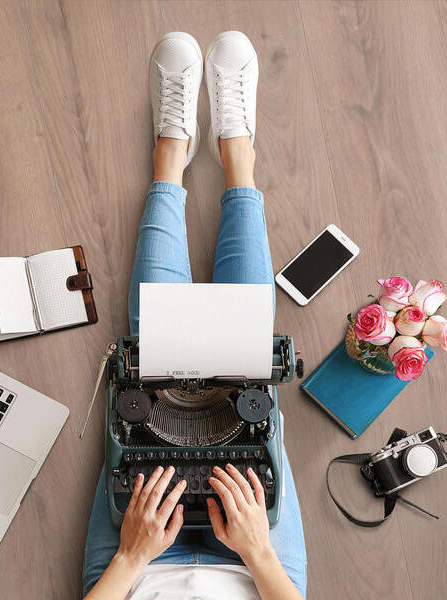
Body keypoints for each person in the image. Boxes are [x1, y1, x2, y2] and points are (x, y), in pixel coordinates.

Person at [82, 31, 306, 600]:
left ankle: (170, 156)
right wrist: (258, 552)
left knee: (156, 341)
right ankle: (237, 154)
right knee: (243, 342)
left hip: (140, 571)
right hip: (254, 568)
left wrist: (131, 556)